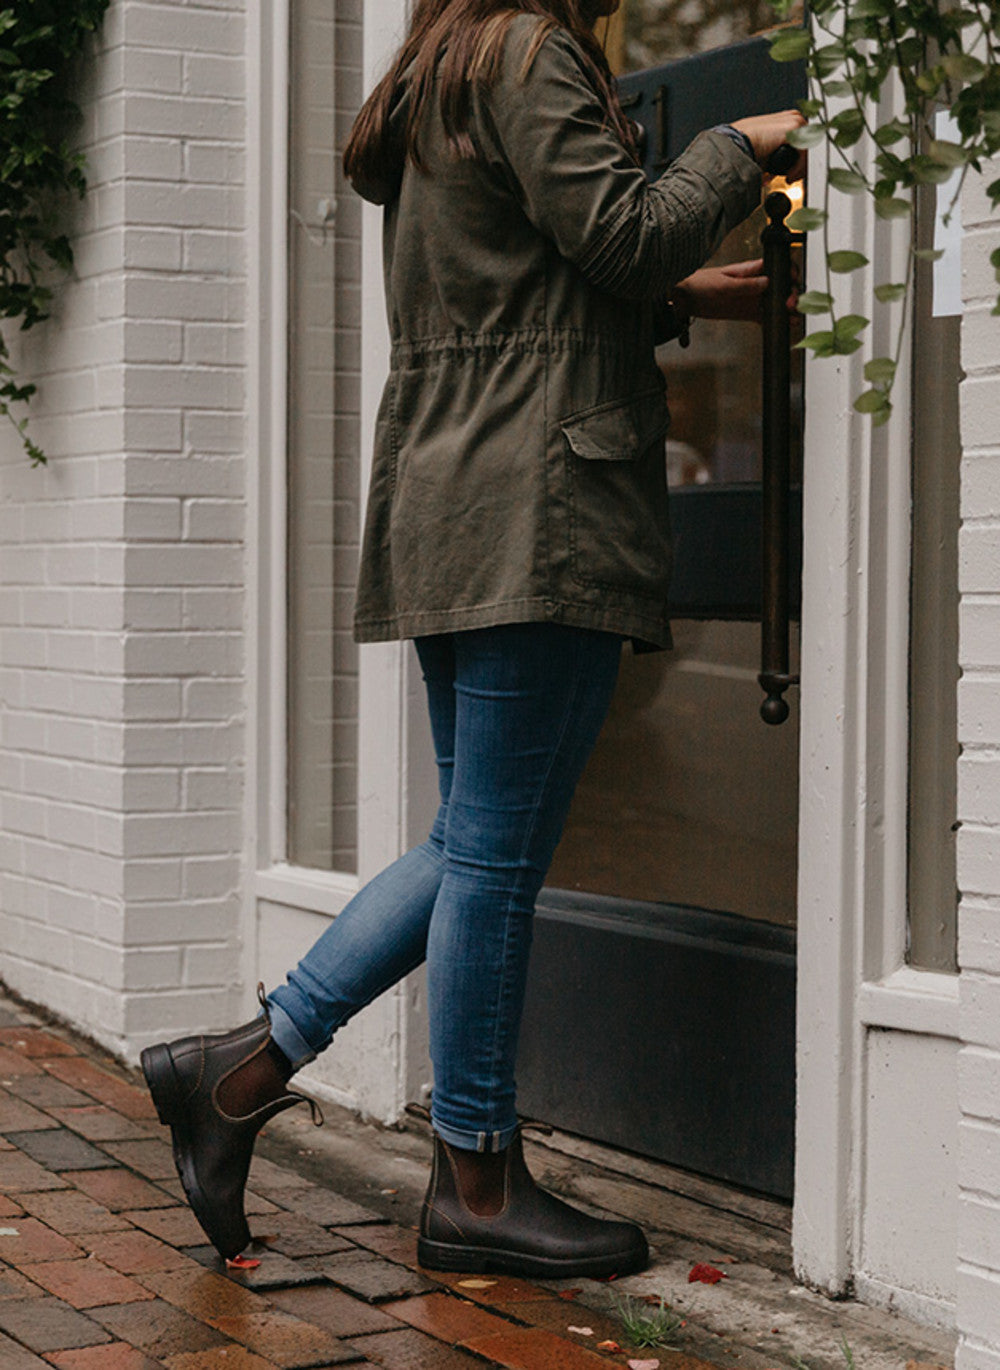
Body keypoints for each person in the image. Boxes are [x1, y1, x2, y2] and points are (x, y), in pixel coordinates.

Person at [141, 0, 806, 1280]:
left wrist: (673, 294)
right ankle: (474, 1178)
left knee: (470, 842)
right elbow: (615, 233)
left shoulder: (446, 59)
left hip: (463, 495)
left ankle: (241, 1070)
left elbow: (523, 274)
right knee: (492, 857)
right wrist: (740, 140)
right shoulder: (525, 46)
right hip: (535, 504)